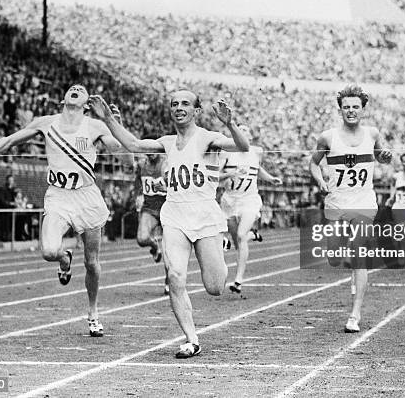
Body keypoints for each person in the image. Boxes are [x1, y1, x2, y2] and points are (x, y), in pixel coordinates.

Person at [88, 90, 249, 358]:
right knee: (175, 275)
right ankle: (191, 339)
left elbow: (242, 147)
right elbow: (134, 145)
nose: (179, 107)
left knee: (215, 287)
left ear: (197, 111)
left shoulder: (208, 137)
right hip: (174, 214)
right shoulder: (166, 142)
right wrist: (107, 119)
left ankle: (220, 254)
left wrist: (230, 123)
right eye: (174, 104)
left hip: (205, 215)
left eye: (185, 103)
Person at [0, 84, 124, 337]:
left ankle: (93, 312)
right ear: (63, 99)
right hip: (58, 196)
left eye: (81, 89)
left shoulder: (95, 126)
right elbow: (10, 141)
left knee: (92, 263)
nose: (75, 88)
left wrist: (113, 122)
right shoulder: (46, 122)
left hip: (87, 197)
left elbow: (122, 155)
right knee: (49, 251)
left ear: (86, 103)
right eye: (72, 88)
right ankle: (64, 259)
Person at [310, 85, 392, 334]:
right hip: (337, 202)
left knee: (360, 255)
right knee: (334, 256)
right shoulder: (327, 137)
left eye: (355, 106)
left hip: (364, 202)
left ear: (363, 109)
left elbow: (382, 156)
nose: (351, 111)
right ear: (340, 110)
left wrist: (385, 157)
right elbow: (313, 164)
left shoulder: (373, 133)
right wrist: (320, 180)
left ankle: (355, 314)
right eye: (346, 107)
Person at [219, 125, 282, 294]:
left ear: (250, 138)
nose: (243, 133)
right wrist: (228, 175)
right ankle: (252, 235)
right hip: (230, 200)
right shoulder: (226, 152)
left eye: (246, 131)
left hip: (249, 200)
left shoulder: (257, 152)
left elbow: (258, 169)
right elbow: (215, 176)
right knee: (238, 241)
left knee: (240, 235)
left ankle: (238, 280)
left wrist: (270, 179)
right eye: (240, 130)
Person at [135, 153, 170, 295]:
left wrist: (166, 187)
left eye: (154, 149)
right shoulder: (142, 165)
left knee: (170, 252)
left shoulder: (166, 163)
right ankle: (154, 246)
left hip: (168, 209)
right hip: (149, 208)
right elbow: (138, 182)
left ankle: (169, 281)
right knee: (142, 239)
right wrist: (138, 195)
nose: (151, 153)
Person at [0, 174, 17, 242]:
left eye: (12, 181)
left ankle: (7, 239)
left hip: (9, 213)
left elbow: (15, 199)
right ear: (7, 181)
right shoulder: (2, 189)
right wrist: (10, 203)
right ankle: (0, 240)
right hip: (2, 213)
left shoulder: (13, 190)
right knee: (2, 227)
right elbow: (1, 200)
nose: (11, 182)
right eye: (10, 180)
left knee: (8, 227)